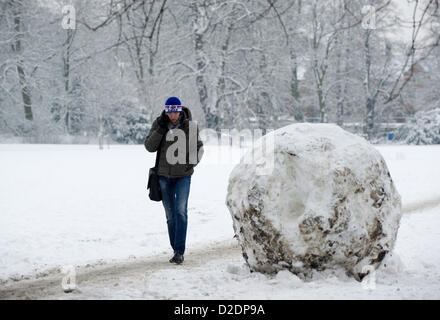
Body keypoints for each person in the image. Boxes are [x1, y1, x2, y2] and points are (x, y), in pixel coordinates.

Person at [144, 97, 204, 264]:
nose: (173, 115)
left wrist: (189, 165)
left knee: (181, 211)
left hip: (183, 176)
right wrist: (161, 129)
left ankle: (179, 251)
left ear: (180, 110)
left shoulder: (190, 126)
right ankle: (175, 249)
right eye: (169, 111)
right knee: (170, 216)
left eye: (175, 111)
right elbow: (149, 147)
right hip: (163, 176)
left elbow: (198, 148)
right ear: (166, 110)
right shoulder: (159, 123)